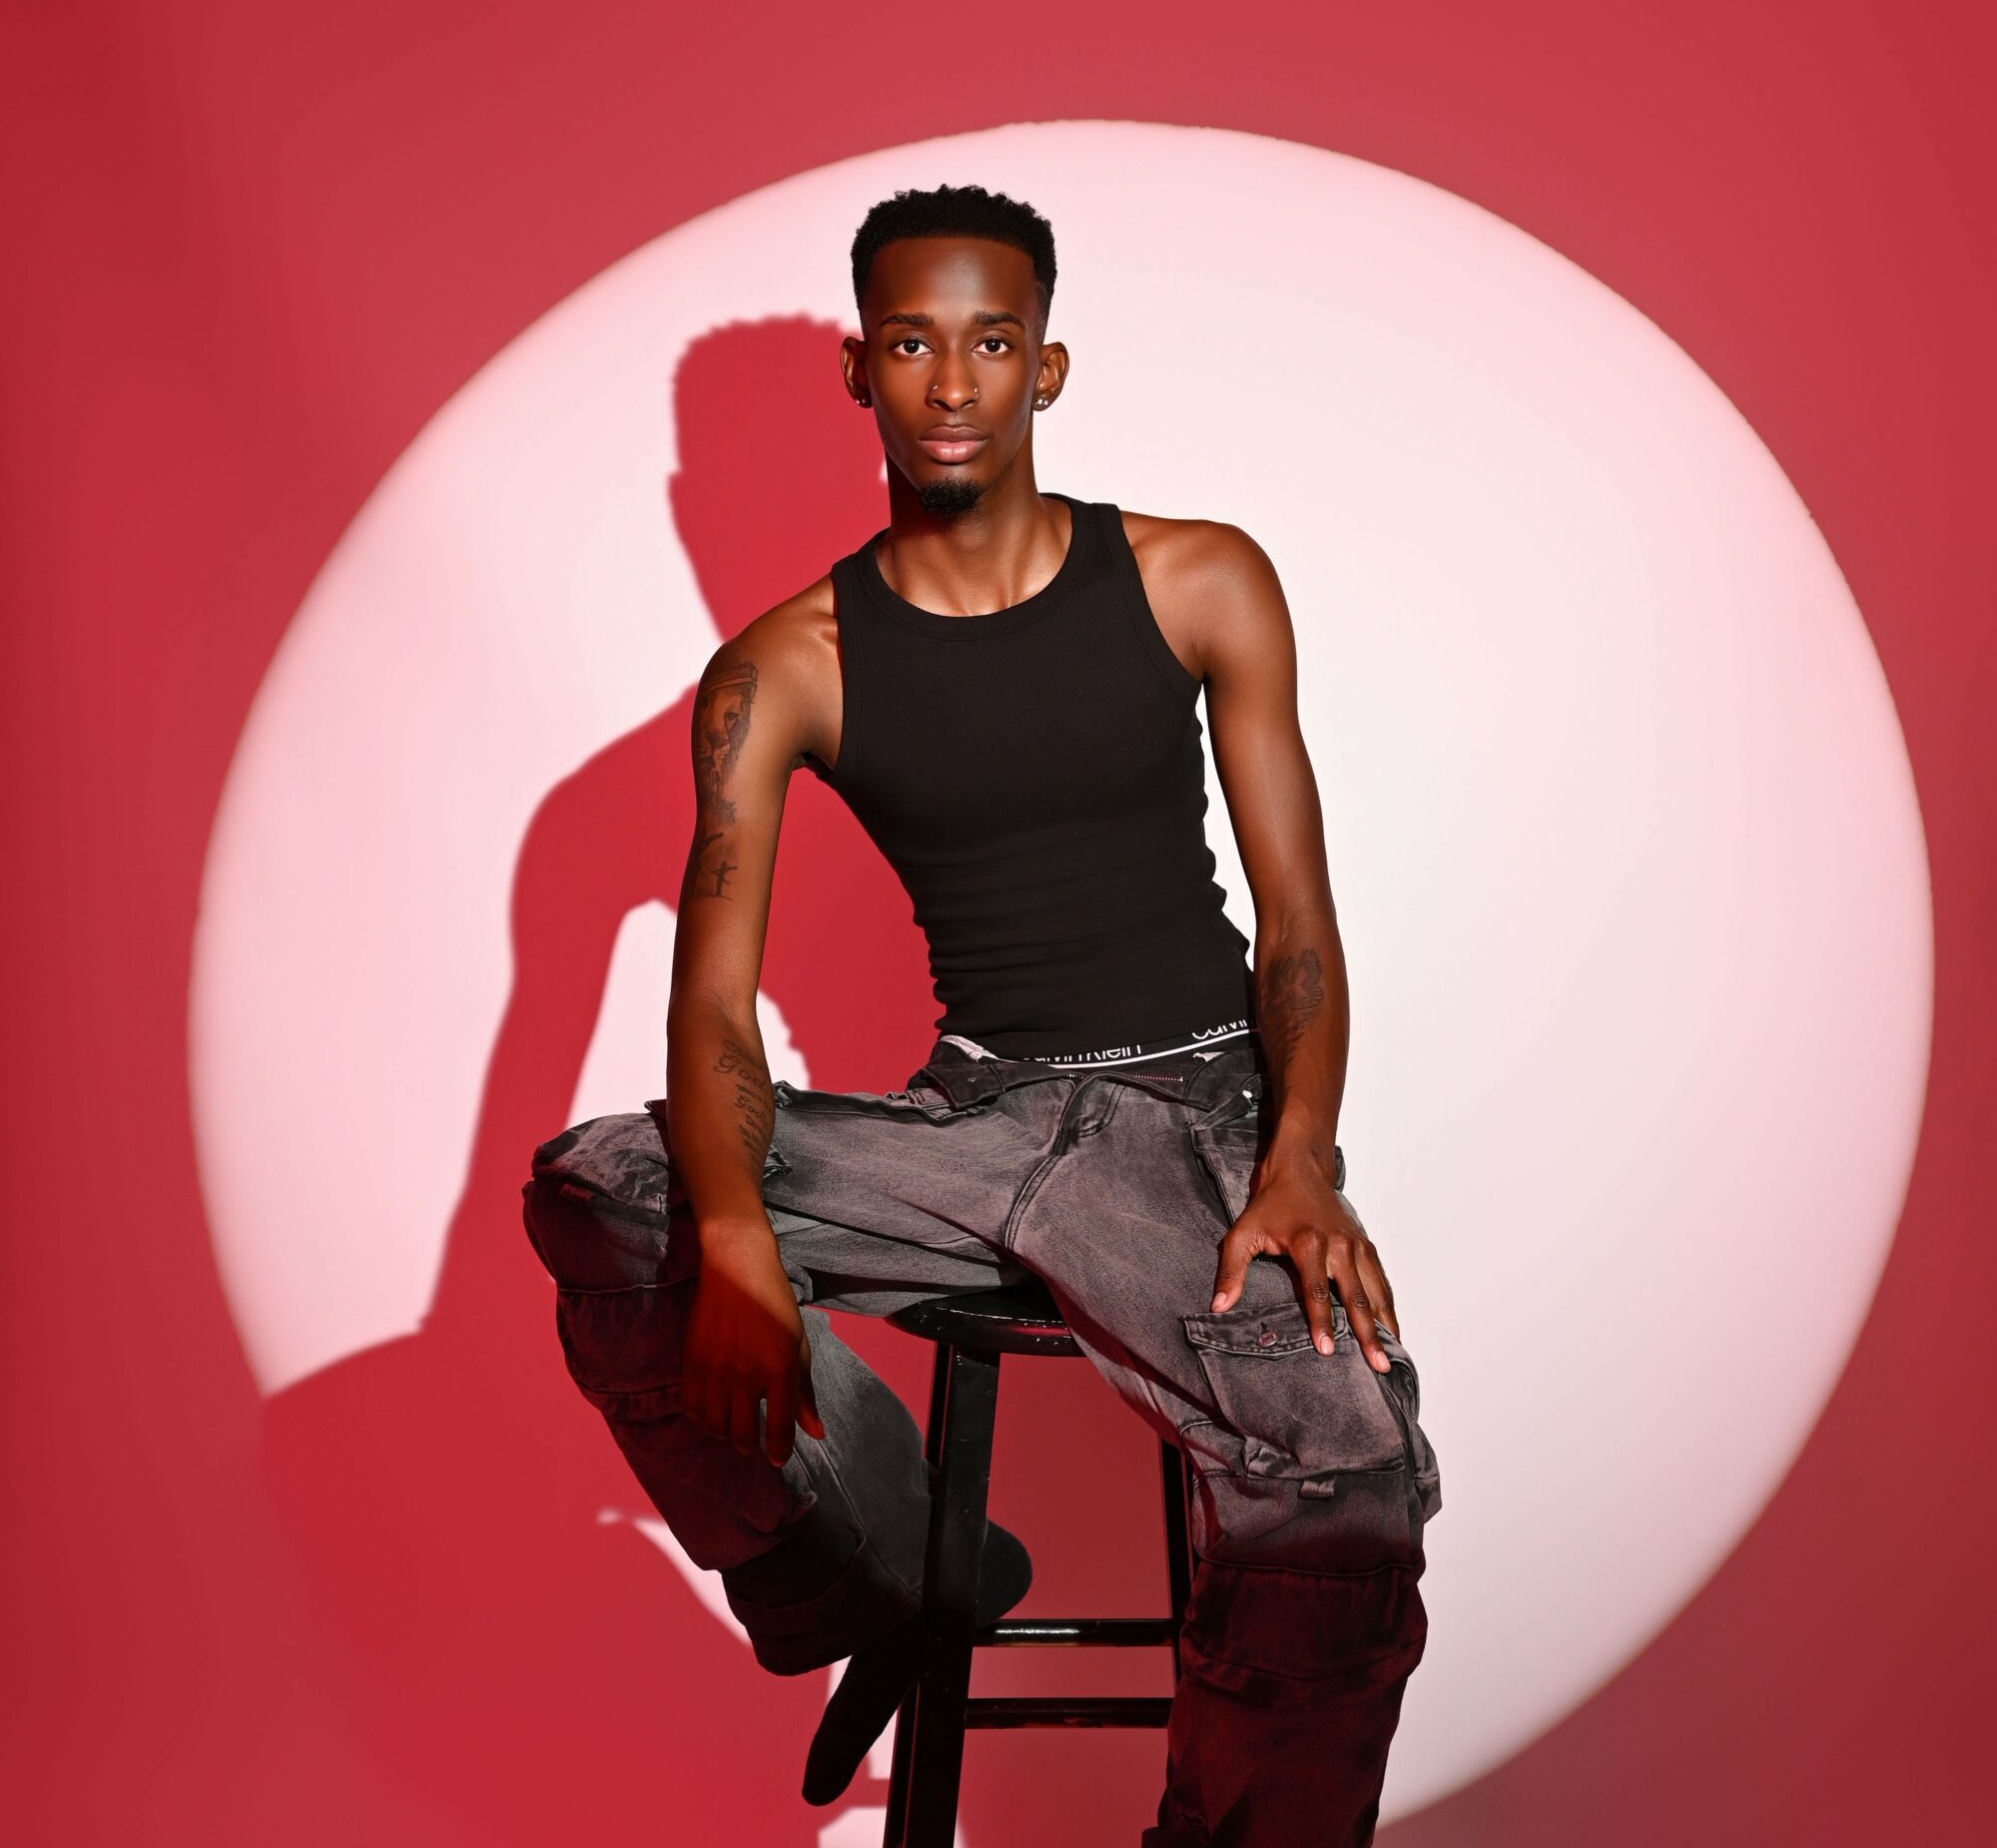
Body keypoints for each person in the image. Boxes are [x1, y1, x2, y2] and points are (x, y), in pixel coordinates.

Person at [521, 183, 1441, 1846]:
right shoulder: (782, 669)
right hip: (971, 1123)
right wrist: (730, 1230)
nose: (952, 383)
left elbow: (1298, 925)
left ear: (1049, 368)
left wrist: (1299, 1157)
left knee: (1344, 1481)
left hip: (1188, 1119)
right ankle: (888, 1564)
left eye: (993, 343)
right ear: (862, 373)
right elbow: (711, 994)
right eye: (911, 344)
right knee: (608, 1194)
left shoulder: (1199, 578)